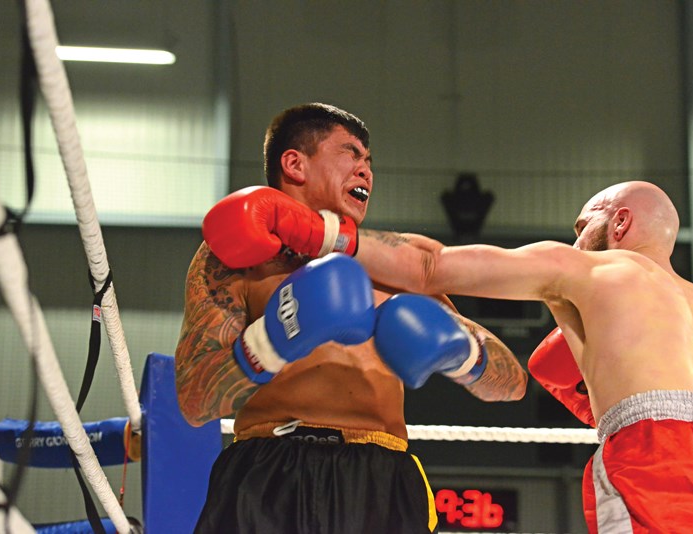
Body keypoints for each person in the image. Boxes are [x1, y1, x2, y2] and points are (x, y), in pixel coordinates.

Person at [174, 102, 528, 534]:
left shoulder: (402, 261)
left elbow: (511, 385)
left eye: (369, 161)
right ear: (294, 163)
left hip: (381, 479)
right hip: (268, 473)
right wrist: (274, 340)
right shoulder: (235, 259)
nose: (366, 171)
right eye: (350, 153)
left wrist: (461, 352)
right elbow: (194, 401)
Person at [348, 181, 693, 532]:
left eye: (582, 225)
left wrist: (320, 230)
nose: (575, 240)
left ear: (620, 220)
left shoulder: (590, 270)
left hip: (664, 467)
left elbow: (427, 265)